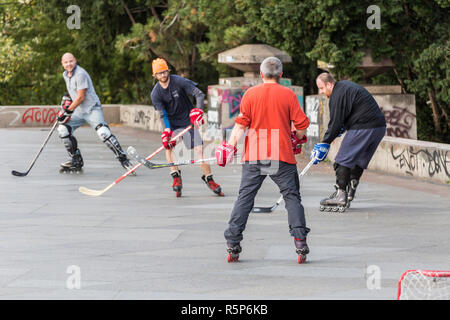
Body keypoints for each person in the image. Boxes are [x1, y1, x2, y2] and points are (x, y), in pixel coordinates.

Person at [216, 57, 311, 264]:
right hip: (282, 153)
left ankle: (233, 242)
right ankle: (300, 242)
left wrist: (229, 147)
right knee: (292, 197)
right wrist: (298, 137)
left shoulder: (250, 94)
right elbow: (302, 125)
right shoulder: (288, 94)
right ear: (281, 75)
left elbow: (240, 126)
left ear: (261, 75)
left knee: (245, 197)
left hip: (255, 154)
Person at [311, 72, 386, 211]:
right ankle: (350, 188)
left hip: (364, 126)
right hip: (379, 127)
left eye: (321, 88)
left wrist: (324, 143)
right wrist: (342, 128)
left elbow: (335, 123)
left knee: (342, 160)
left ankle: (340, 194)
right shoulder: (345, 87)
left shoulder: (337, 95)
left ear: (329, 84)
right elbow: (349, 113)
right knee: (357, 160)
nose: (321, 92)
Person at [150, 58, 223, 197]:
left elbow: (199, 94)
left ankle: (209, 179)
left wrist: (198, 111)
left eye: (164, 72)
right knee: (168, 147)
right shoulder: (155, 93)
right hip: (172, 124)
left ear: (168, 71)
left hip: (188, 121)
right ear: (155, 76)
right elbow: (162, 114)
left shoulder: (179, 81)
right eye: (159, 73)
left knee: (200, 151)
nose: (163, 75)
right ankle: (176, 176)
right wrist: (166, 131)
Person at [57, 52, 134, 173]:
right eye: (66, 62)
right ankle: (76, 160)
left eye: (71, 61)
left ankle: (124, 159)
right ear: (62, 64)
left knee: (103, 133)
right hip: (78, 110)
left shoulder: (80, 74)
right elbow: (72, 92)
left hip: (92, 108)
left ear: (75, 60)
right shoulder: (65, 75)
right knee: (62, 129)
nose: (69, 64)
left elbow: (81, 97)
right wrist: (66, 100)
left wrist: (67, 111)